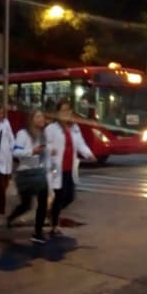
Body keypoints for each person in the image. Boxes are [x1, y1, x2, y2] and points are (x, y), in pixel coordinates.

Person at [45, 100, 97, 234]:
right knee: (59, 195)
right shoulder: (51, 129)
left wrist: (89, 154)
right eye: (63, 110)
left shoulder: (74, 128)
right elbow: (44, 144)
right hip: (57, 169)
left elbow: (81, 144)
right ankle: (54, 224)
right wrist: (50, 150)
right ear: (58, 113)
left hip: (69, 168)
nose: (67, 113)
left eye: (68, 110)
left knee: (70, 196)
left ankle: (51, 213)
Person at [10, 109, 51, 243]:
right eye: (38, 116)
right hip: (26, 173)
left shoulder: (42, 135)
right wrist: (31, 151)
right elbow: (15, 152)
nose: (41, 119)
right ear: (31, 119)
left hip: (38, 172)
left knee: (42, 201)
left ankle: (38, 232)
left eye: (42, 116)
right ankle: (11, 218)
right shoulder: (23, 134)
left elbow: (44, 155)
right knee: (26, 205)